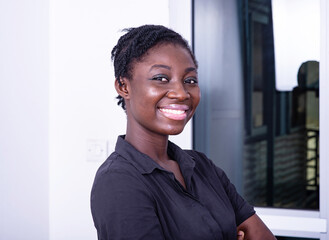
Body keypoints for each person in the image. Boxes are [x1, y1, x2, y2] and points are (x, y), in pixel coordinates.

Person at [91, 24, 276, 240]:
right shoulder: (118, 181)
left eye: (190, 81)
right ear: (124, 87)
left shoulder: (202, 166)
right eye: (161, 78)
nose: (181, 93)